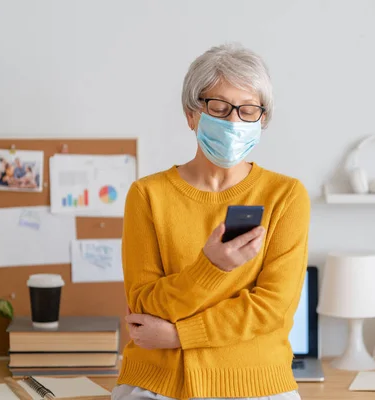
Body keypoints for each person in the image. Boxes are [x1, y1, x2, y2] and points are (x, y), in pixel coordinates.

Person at [113, 43, 310, 400]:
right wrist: (212, 267)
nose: (234, 121)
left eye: (248, 110)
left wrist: (178, 336)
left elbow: (271, 307)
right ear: (192, 114)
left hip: (258, 385)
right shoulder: (147, 195)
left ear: (262, 120)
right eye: (219, 107)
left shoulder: (286, 195)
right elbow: (143, 305)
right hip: (156, 384)